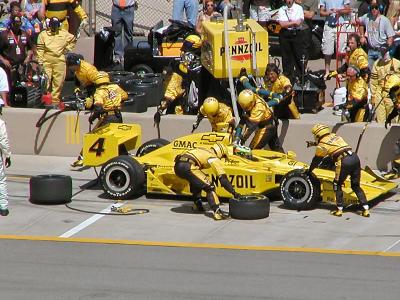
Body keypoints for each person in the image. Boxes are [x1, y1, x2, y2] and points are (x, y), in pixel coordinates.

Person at [307, 124, 370, 217]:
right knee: (356, 185)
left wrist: (310, 171)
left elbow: (316, 160)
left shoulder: (321, 146)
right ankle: (366, 209)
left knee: (337, 184)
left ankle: (339, 209)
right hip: (355, 157)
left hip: (344, 161)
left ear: (317, 135)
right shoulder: (335, 135)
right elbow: (332, 145)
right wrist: (314, 144)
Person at [71, 71, 128, 168]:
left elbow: (98, 108)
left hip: (107, 117)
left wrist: (92, 117)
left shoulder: (99, 92)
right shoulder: (115, 87)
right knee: (117, 137)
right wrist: (116, 103)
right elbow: (125, 96)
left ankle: (82, 158)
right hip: (118, 116)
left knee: (94, 136)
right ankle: (125, 157)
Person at [174, 142, 241, 220]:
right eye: (223, 156)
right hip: (188, 166)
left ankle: (197, 203)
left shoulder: (203, 150)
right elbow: (223, 180)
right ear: (220, 153)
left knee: (197, 181)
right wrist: (234, 193)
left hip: (177, 166)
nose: (222, 158)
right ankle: (217, 212)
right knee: (210, 187)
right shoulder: (213, 158)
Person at [154, 34, 202, 124]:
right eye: (184, 49)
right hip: (179, 111)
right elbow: (170, 92)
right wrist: (161, 109)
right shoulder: (176, 70)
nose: (183, 52)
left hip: (198, 112)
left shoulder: (204, 72)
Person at [36, 17, 77, 105]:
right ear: (49, 25)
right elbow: (40, 49)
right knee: (45, 80)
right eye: (53, 25)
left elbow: (73, 39)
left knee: (58, 81)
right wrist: (40, 61)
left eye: (56, 25)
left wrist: (67, 49)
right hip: (46, 59)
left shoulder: (64, 34)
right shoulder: (43, 34)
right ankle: (45, 98)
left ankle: (55, 100)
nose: (54, 27)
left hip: (59, 60)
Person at [0, 14, 34, 91]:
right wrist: (3, 60)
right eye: (15, 24)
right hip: (8, 66)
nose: (17, 26)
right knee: (8, 86)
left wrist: (28, 57)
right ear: (11, 24)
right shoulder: (4, 35)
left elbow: (30, 48)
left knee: (21, 86)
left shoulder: (24, 34)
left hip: (21, 66)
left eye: (19, 24)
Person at [319, 0, 352, 78]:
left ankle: (339, 71)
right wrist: (328, 12)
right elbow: (321, 12)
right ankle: (327, 71)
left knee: (340, 50)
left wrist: (339, 11)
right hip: (329, 25)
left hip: (340, 25)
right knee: (327, 50)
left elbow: (348, 10)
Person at [358, 0, 395, 68]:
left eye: (376, 7)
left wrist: (385, 49)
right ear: (370, 8)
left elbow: (391, 37)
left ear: (379, 7)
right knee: (370, 72)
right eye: (372, 7)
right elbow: (359, 22)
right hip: (370, 50)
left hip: (381, 51)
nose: (374, 9)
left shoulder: (385, 20)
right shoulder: (366, 17)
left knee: (380, 73)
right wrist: (362, 36)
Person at [370, 43, 400, 122]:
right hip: (379, 93)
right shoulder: (377, 63)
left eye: (385, 52)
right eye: (382, 52)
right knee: (380, 119)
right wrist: (373, 95)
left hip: (392, 94)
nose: (383, 54)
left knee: (392, 119)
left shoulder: (397, 63)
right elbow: (373, 81)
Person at [277, 0, 305, 82]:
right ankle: (288, 79)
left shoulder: (299, 8)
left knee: (298, 56)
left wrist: (288, 23)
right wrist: (293, 22)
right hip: (285, 34)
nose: (289, 1)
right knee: (286, 58)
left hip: (296, 34)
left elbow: (299, 22)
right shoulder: (282, 9)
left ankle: (301, 77)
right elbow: (282, 24)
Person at [0, 102, 11, 216]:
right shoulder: (0, 123)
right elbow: (3, 141)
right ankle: (3, 207)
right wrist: (7, 155)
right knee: (1, 181)